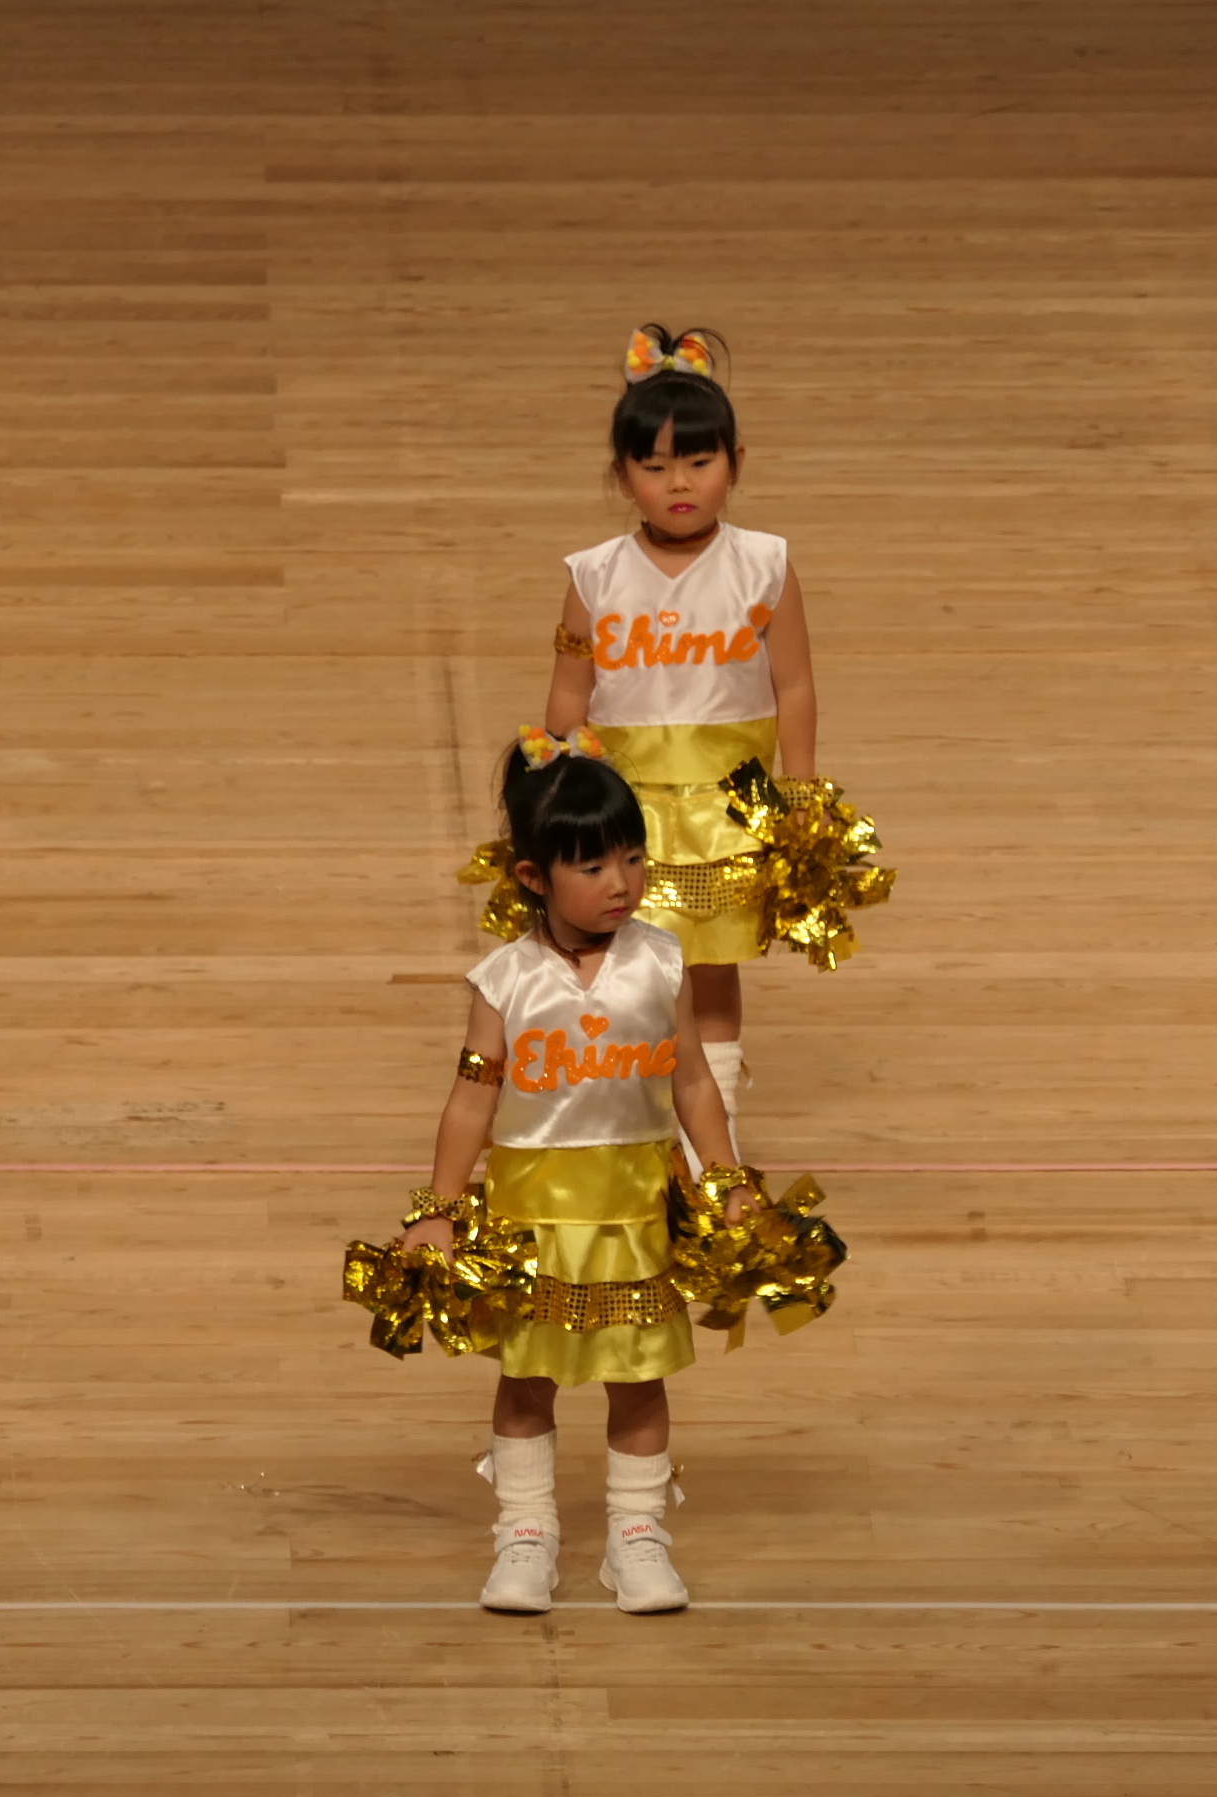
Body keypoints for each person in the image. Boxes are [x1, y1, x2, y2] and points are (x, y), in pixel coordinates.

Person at [398, 727, 753, 1616]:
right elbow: (472, 1100)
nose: (621, 882)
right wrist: (437, 1207)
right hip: (532, 1216)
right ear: (533, 877)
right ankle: (526, 1533)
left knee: (640, 1376)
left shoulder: (662, 960)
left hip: (635, 1211)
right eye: (593, 866)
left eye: (631, 858)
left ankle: (637, 1535)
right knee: (526, 1380)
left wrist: (727, 1180)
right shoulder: (503, 980)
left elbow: (694, 1083)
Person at [542, 327, 820, 1163]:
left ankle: (712, 1139)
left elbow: (794, 685)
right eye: (655, 466)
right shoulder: (593, 575)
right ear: (621, 475)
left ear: (736, 461)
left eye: (699, 462)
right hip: (625, 808)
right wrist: (556, 788)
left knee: (711, 964)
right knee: (617, 961)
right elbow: (570, 688)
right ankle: (627, 1121)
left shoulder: (765, 565)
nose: (679, 483)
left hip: (728, 807)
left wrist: (802, 794)